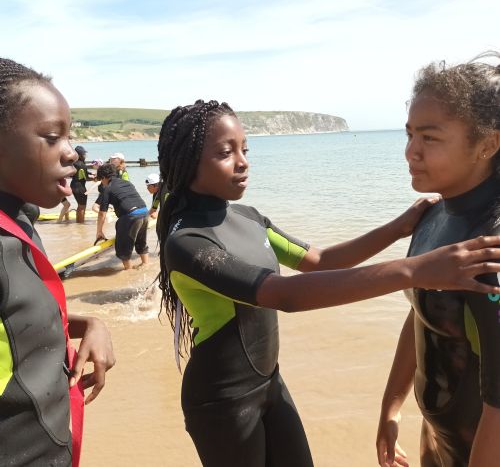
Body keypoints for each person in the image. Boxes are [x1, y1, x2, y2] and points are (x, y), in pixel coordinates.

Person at [156, 99, 500, 467]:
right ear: (188, 161)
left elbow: (321, 261)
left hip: (269, 383)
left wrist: (399, 227)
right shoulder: (188, 243)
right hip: (221, 400)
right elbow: (283, 294)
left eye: (245, 149)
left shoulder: (249, 218)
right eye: (226, 153)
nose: (243, 162)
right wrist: (416, 269)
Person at [376, 53, 500, 467]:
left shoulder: (489, 247)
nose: (410, 152)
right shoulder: (432, 217)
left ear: (487, 144)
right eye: (409, 134)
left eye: (429, 138)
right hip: (438, 438)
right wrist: (391, 407)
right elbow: (423, 313)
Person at [0, 57, 115, 465]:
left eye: (69, 136)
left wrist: (89, 324)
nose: (71, 153)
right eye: (52, 137)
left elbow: (16, 322)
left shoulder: (20, 223)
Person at [95, 163, 149, 270]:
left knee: (123, 247)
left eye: (101, 180)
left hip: (131, 216)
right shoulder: (128, 183)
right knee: (141, 242)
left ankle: (128, 271)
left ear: (104, 177)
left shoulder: (107, 189)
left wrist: (99, 231)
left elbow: (102, 213)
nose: (102, 182)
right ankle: (146, 264)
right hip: (144, 212)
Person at [71, 145, 92, 223]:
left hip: (73, 185)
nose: (85, 155)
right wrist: (95, 178)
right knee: (82, 207)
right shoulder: (82, 165)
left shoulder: (73, 163)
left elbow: (80, 172)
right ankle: (81, 224)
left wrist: (90, 173)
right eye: (83, 154)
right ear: (79, 155)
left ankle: (78, 223)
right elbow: (86, 178)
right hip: (80, 187)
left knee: (80, 206)